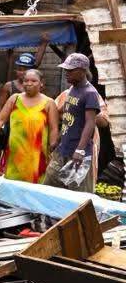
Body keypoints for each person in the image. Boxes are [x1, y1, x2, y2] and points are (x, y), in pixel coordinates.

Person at [0, 69, 58, 183]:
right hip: (15, 155)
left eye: (34, 81)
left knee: (35, 189)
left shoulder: (49, 103)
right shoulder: (14, 99)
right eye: (26, 81)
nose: (29, 83)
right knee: (13, 188)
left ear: (41, 83)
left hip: (37, 156)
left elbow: (54, 128)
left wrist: (52, 149)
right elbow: (0, 119)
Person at [46, 53, 101, 192]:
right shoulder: (72, 89)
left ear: (82, 71)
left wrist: (80, 150)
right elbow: (68, 119)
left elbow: (90, 123)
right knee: (49, 188)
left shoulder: (90, 93)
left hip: (78, 155)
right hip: (63, 150)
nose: (66, 73)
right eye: (66, 69)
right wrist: (57, 140)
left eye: (70, 70)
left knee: (78, 195)